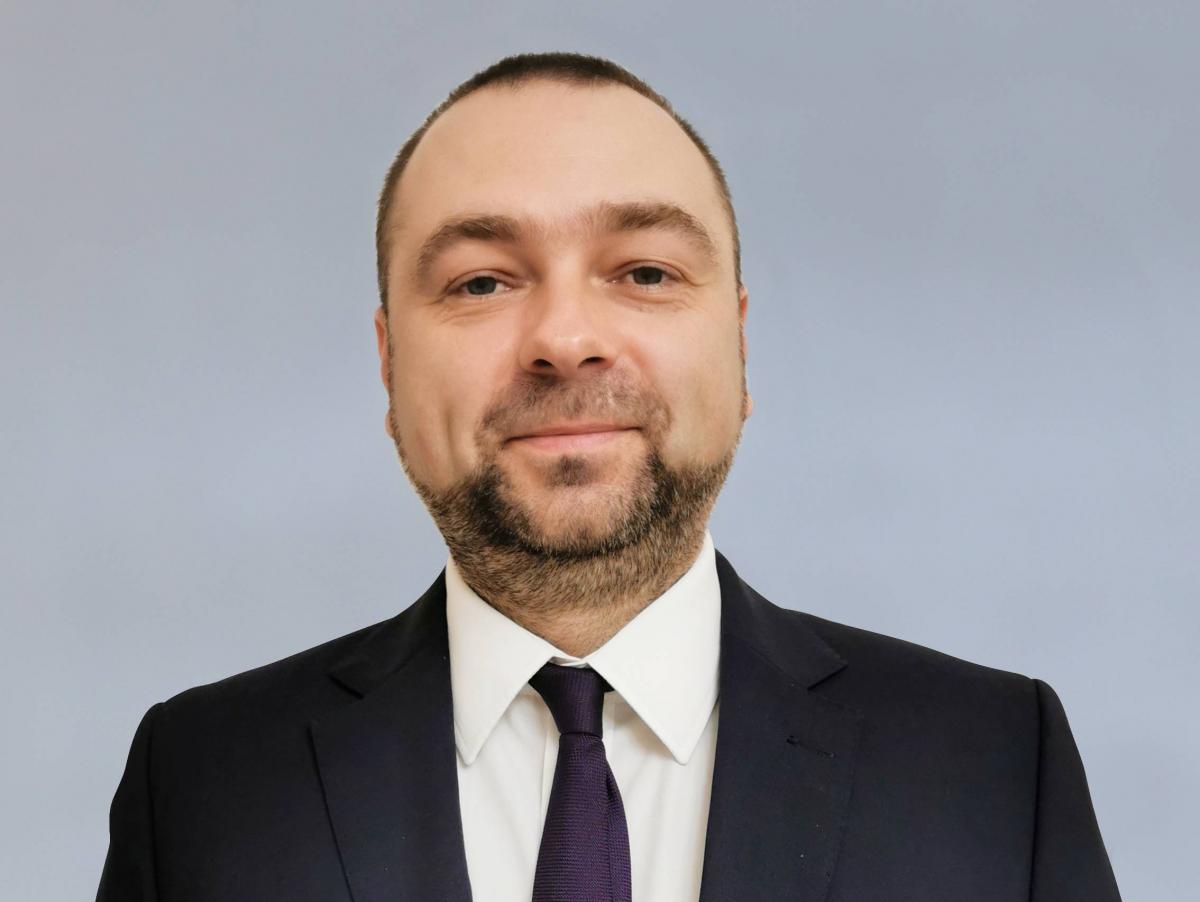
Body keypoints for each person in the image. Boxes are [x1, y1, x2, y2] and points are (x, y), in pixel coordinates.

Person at [97, 52, 1122, 902]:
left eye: (644, 271)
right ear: (388, 363)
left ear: (739, 345)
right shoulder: (201, 783)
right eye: (481, 281)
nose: (566, 338)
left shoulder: (993, 765)